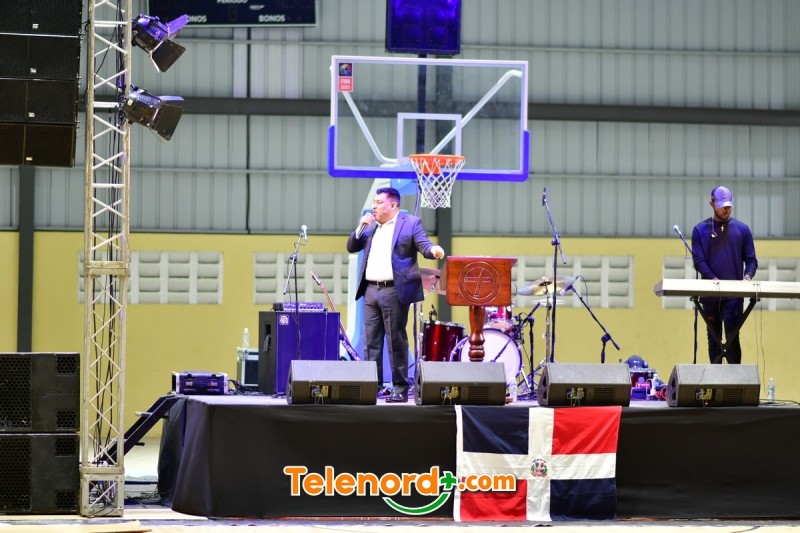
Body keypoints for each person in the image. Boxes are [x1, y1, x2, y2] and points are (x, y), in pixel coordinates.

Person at [346, 187, 445, 402]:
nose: (374, 206)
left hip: (394, 290)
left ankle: (400, 388)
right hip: (371, 289)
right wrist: (361, 226)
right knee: (371, 342)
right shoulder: (371, 226)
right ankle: (372, 386)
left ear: (392, 205)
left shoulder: (410, 223)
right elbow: (351, 247)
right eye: (374, 202)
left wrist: (433, 250)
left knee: (395, 340)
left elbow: (423, 244)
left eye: (378, 202)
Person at [691, 186, 758, 364]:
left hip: (733, 296)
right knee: (713, 340)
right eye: (722, 206)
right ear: (712, 204)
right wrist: (713, 279)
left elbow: (751, 260)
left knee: (732, 338)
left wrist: (747, 277)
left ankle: (734, 379)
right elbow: (699, 260)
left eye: (728, 206)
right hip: (710, 295)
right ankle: (716, 379)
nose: (726, 210)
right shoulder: (700, 230)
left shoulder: (742, 230)